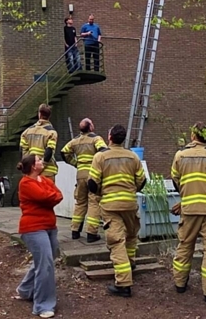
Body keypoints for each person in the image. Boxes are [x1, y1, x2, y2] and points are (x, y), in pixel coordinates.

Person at [170, 123, 206, 302]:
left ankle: (180, 284)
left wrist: (186, 196)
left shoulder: (180, 156)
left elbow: (175, 180)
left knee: (185, 245)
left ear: (193, 136)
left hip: (188, 211)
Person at [88, 124, 146, 297]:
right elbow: (142, 182)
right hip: (129, 203)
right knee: (131, 235)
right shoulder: (133, 156)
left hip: (110, 206)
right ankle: (131, 263)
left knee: (116, 242)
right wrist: (130, 191)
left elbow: (92, 183)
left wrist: (101, 193)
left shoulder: (100, 157)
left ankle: (123, 283)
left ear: (110, 137)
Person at [14, 153, 62, 319]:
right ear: (34, 166)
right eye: (39, 160)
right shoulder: (26, 183)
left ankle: (25, 290)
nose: (42, 161)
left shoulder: (45, 180)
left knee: (44, 261)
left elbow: (58, 194)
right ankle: (43, 305)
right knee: (46, 264)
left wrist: (51, 196)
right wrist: (51, 196)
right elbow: (46, 196)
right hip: (33, 228)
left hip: (50, 226)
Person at [60, 118, 108, 242]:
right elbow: (104, 151)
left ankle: (75, 231)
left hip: (80, 174)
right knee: (94, 202)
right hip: (93, 175)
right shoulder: (96, 139)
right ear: (90, 127)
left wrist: (75, 163)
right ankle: (91, 234)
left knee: (80, 202)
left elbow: (64, 152)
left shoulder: (75, 141)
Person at [20, 104, 58, 178]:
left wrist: (28, 168)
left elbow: (23, 152)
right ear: (49, 116)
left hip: (31, 172)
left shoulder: (26, 132)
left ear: (39, 114)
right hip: (48, 172)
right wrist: (41, 165)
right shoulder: (52, 132)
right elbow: (49, 151)